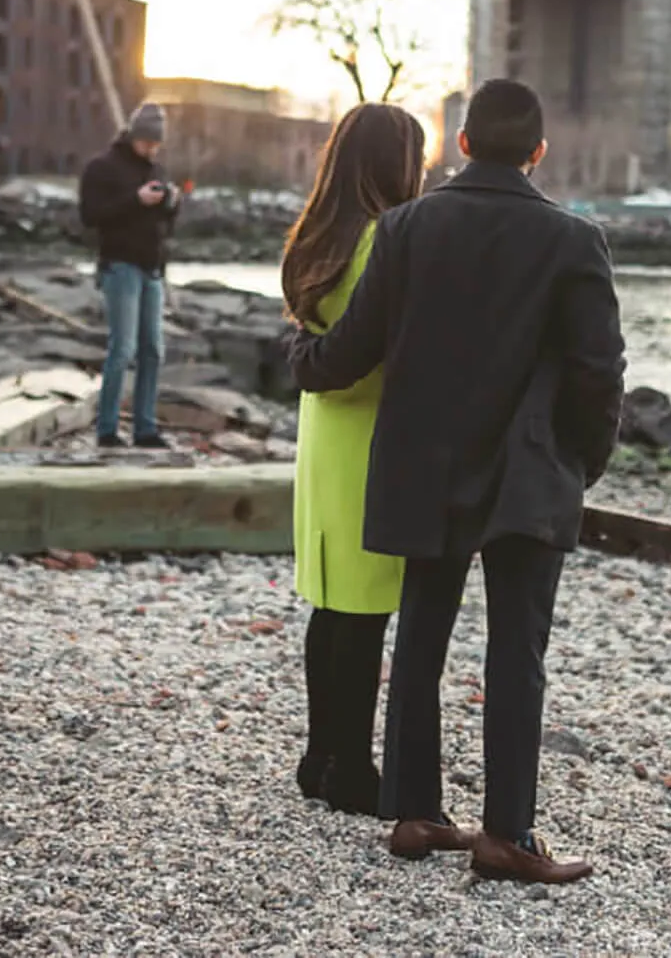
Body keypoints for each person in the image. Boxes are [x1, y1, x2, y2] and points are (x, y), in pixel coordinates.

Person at [287, 79, 626, 885]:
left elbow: (352, 347)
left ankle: (413, 812)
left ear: (463, 143)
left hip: (423, 465)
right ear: (538, 152)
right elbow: (599, 373)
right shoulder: (575, 241)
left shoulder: (405, 226)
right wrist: (584, 461)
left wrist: (298, 355)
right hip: (529, 474)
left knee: (421, 642)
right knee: (517, 653)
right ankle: (506, 833)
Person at [280, 103, 427, 816]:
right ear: (396, 163)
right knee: (364, 613)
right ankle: (353, 768)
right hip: (370, 431)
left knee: (331, 604)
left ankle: (319, 753)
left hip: (323, 432)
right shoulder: (385, 240)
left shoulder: (314, 235)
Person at [79, 102, 179, 448]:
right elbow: (90, 215)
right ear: (134, 136)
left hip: (152, 269)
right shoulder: (102, 168)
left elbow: (166, 224)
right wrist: (135, 200)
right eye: (148, 142)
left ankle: (145, 429)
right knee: (122, 348)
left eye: (157, 144)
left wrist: (170, 203)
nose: (152, 149)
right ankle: (107, 429)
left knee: (153, 350)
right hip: (120, 266)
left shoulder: (158, 171)